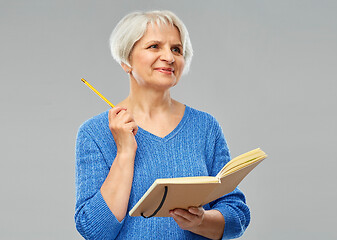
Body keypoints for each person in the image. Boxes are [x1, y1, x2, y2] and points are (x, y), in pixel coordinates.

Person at [75, 10, 250, 240]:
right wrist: (125, 152)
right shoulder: (94, 133)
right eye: (154, 46)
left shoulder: (205, 127)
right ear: (126, 61)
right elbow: (95, 231)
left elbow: (237, 216)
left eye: (176, 49)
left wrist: (201, 221)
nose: (169, 57)